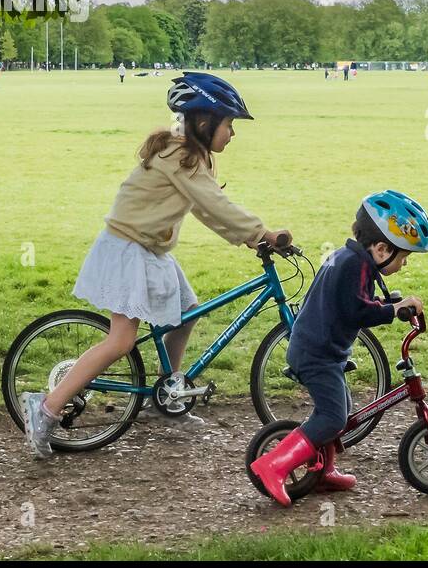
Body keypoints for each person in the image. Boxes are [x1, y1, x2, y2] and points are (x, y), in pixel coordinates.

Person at [19, 73, 290, 457]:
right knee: (121, 340)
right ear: (204, 122)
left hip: (148, 251)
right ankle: (46, 408)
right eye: (228, 124)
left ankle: (167, 395)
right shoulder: (180, 156)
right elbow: (216, 206)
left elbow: (206, 209)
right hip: (127, 250)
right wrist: (262, 233)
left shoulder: (192, 159)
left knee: (187, 313)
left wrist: (251, 237)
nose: (232, 133)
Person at [250, 190, 428, 506]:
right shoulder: (353, 267)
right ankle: (274, 465)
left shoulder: (352, 261)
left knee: (339, 411)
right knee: (333, 417)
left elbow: (355, 301)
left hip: (321, 349)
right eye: (403, 257)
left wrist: (391, 303)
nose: (403, 264)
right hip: (316, 354)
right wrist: (392, 310)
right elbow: (356, 311)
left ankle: (322, 471)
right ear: (381, 248)